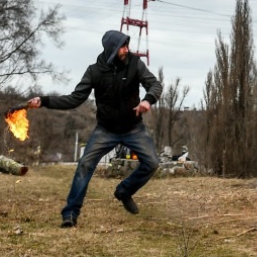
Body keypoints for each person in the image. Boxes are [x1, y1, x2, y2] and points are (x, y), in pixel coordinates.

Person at [27, 30, 162, 228]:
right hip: (106, 130)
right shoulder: (94, 71)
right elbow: (74, 99)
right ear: (112, 49)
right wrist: (44, 101)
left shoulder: (135, 64)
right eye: (123, 46)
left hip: (133, 127)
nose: (127, 49)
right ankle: (70, 214)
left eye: (127, 45)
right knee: (84, 165)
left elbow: (154, 84)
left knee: (151, 163)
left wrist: (147, 100)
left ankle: (124, 191)